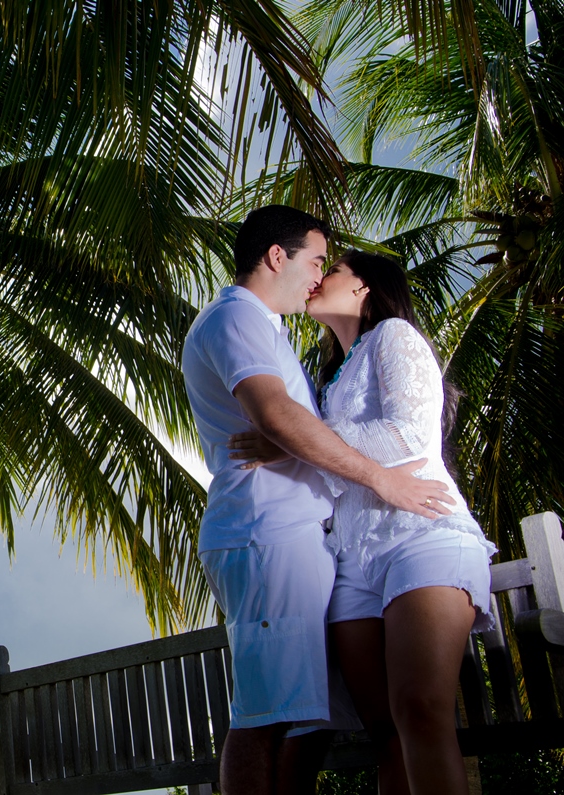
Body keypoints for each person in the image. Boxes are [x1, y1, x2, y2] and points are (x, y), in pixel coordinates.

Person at [181, 207, 451, 795]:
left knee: (304, 721)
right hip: (266, 532)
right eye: (315, 260)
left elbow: (298, 429)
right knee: (266, 716)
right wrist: (382, 480)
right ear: (278, 256)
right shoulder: (237, 318)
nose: (317, 275)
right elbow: (276, 416)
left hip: (300, 539)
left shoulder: (269, 331)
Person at [235, 251, 495, 795]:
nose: (317, 278)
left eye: (331, 270)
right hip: (353, 561)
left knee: (420, 710)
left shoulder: (395, 335)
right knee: (386, 733)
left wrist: (292, 444)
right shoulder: (329, 382)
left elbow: (406, 438)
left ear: (363, 288)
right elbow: (337, 476)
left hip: (421, 535)